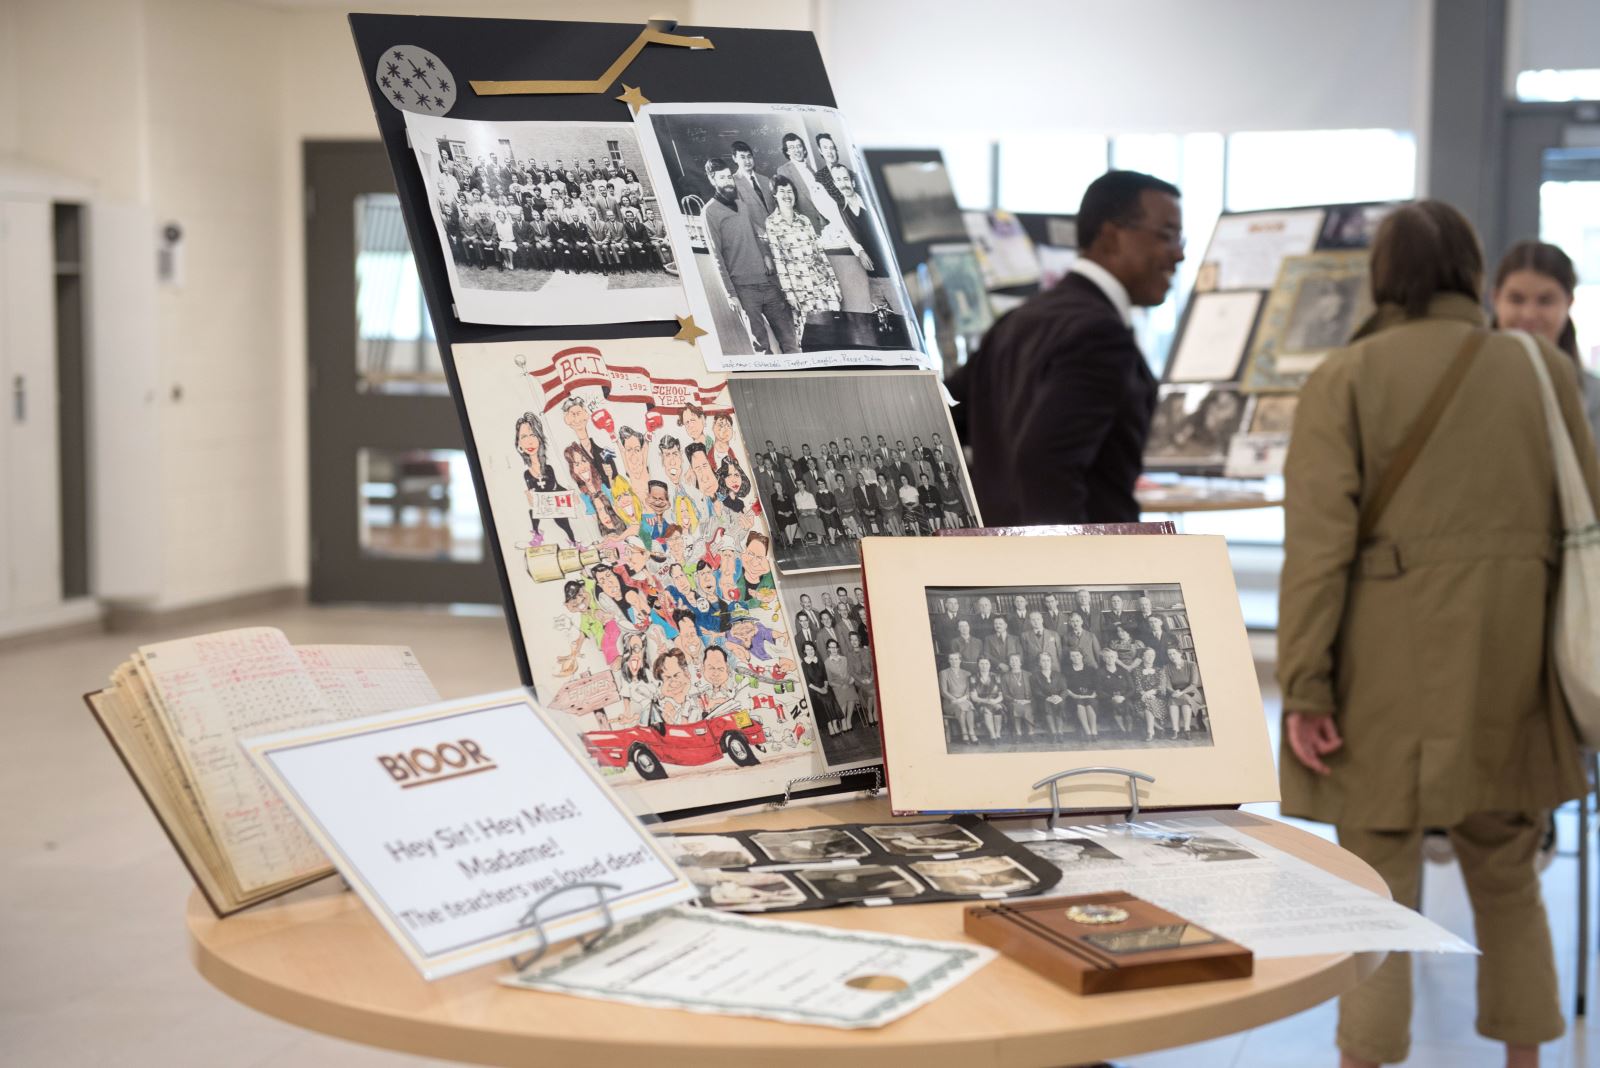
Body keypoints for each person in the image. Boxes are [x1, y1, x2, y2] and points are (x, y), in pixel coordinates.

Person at [1277, 201, 1595, 1068]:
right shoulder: (1540, 369)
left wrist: (1305, 686)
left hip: (1382, 672)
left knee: (1376, 890)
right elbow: (1585, 522)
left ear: (1381, 275)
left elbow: (1317, 553)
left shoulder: (1345, 377)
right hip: (1514, 664)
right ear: (1473, 273)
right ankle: (1526, 1061)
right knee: (1510, 876)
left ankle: (1367, 1058)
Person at [952, 170, 1183, 523]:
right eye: (1167, 236)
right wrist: (1070, 555)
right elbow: (1045, 460)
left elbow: (947, 421)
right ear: (1111, 236)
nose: (1179, 254)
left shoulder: (1017, 320)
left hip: (998, 549)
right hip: (1081, 555)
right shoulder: (1101, 334)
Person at [1492, 240, 1600, 445]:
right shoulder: (1469, 382)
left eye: (1545, 301)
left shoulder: (1593, 397)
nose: (1529, 314)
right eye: (1516, 299)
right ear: (1495, 298)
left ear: (1569, 302)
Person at [700, 157, 798, 355]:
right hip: (744, 290)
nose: (728, 182)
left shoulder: (741, 205)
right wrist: (731, 294)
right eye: (722, 178)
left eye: (729, 177)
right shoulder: (709, 212)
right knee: (762, 348)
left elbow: (754, 234)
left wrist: (766, 255)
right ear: (712, 180)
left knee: (790, 340)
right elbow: (716, 256)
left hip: (767, 282)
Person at [766, 176, 841, 332]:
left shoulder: (804, 220)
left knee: (836, 329)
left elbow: (820, 253)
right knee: (815, 334)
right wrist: (790, 294)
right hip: (801, 289)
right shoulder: (771, 223)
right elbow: (779, 261)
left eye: (790, 191)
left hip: (823, 284)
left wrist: (835, 284)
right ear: (775, 195)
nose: (787, 195)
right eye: (782, 191)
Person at [939, 650, 976, 744]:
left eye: (956, 659)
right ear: (948, 661)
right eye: (951, 659)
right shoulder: (944, 673)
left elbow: (968, 690)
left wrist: (962, 699)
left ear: (960, 660)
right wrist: (955, 699)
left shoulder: (967, 673)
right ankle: (964, 733)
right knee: (961, 707)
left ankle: (971, 732)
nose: (954, 661)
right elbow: (943, 691)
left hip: (964, 700)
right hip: (950, 702)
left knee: (969, 707)